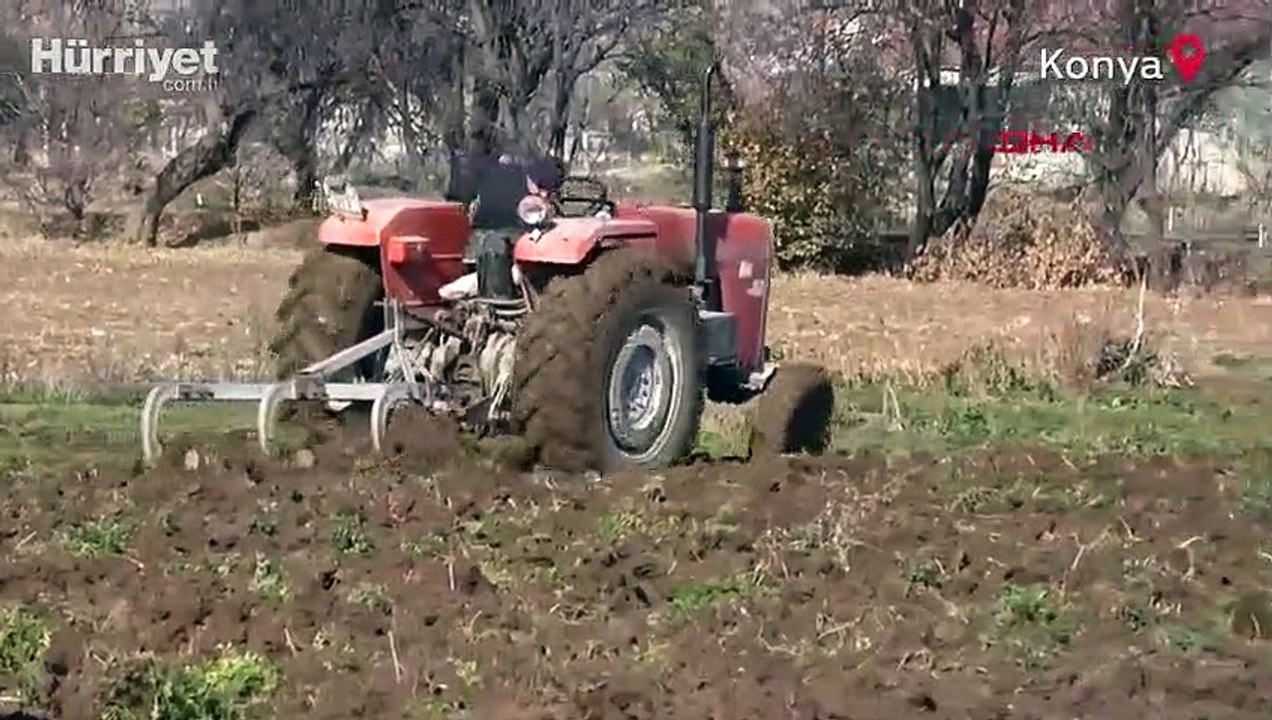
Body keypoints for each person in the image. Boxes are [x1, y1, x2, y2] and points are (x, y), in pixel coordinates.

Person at [439, 151, 567, 300]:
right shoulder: (505, 189)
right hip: (491, 247)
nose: (544, 194)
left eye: (550, 190)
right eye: (540, 187)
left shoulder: (539, 199)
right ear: (531, 177)